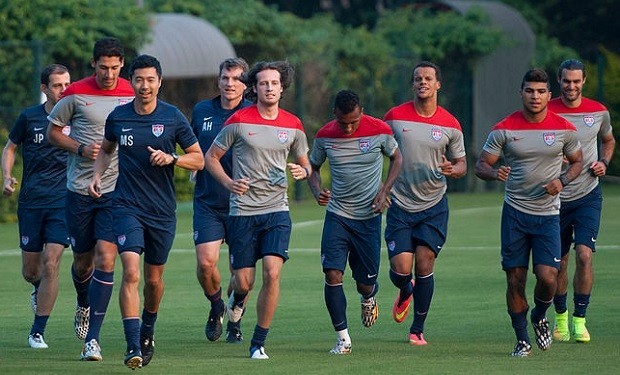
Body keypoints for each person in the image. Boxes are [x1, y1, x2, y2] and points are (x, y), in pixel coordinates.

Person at [88, 54, 203, 369]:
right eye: (138, 79)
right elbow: (107, 150)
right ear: (132, 81)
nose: (144, 85)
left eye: (150, 79)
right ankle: (132, 344)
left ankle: (148, 327)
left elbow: (199, 159)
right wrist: (98, 174)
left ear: (159, 82)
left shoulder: (173, 117)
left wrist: (173, 159)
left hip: (162, 212)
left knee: (153, 280)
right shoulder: (119, 116)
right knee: (131, 271)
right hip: (126, 206)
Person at [204, 60, 311, 359]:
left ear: (281, 87)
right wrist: (229, 183)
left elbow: (307, 164)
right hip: (242, 212)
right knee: (243, 281)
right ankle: (236, 303)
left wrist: (305, 174)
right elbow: (211, 158)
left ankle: (258, 342)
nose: (269, 87)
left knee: (273, 274)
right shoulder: (238, 121)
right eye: (263, 83)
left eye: (274, 83)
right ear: (255, 87)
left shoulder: (293, 125)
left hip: (277, 210)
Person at [475, 68, 583, 357]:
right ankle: (522, 339)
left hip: (548, 215)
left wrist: (562, 180)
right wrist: (494, 171)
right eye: (529, 91)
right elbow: (481, 165)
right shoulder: (504, 128)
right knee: (515, 279)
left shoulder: (564, 129)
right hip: (515, 214)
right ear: (521, 93)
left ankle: (539, 316)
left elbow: (576, 162)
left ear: (549, 94)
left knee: (548, 277)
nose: (535, 96)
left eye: (540, 91)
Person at [47, 36, 134, 361]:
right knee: (82, 261)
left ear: (121, 65)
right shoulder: (74, 93)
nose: (109, 74)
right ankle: (83, 302)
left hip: (117, 191)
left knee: (106, 258)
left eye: (114, 68)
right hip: (80, 190)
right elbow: (54, 132)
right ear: (93, 64)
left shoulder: (131, 91)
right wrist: (81, 149)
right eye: (103, 67)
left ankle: (92, 341)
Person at [308, 89, 402, 354]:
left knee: (364, 282)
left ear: (361, 111)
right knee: (332, 273)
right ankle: (343, 338)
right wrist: (317, 191)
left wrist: (386, 190)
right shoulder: (325, 135)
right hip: (337, 215)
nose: (348, 127)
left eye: (353, 121)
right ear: (334, 115)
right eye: (343, 122)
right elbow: (312, 168)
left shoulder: (380, 130)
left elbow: (397, 158)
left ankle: (369, 295)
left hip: (369, 217)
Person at [383, 61, 467, 346]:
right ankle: (406, 290)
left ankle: (417, 328)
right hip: (400, 204)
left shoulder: (451, 124)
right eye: (418, 78)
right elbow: (378, 150)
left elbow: (462, 164)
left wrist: (453, 170)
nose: (422, 82)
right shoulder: (394, 117)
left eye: (428, 78)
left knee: (424, 262)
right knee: (400, 269)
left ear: (437, 84)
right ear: (413, 84)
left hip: (433, 205)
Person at [2, 64, 71, 349]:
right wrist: (7, 176)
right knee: (32, 271)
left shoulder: (78, 117)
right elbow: (10, 147)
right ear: (45, 89)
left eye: (68, 84)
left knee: (51, 262)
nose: (64, 90)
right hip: (31, 201)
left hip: (64, 201)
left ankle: (37, 331)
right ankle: (37, 289)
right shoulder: (29, 117)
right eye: (57, 85)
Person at [548, 59, 616, 343]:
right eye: (566, 81)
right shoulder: (546, 109)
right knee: (559, 263)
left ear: (584, 81)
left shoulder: (598, 111)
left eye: (576, 81)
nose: (571, 86)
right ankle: (561, 320)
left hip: (588, 194)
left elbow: (609, 140)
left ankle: (580, 320)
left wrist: (603, 161)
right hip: (555, 199)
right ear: (559, 81)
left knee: (584, 255)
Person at [191, 57, 252, 343]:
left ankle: (235, 319)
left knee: (241, 276)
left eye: (237, 79)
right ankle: (217, 306)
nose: (230, 83)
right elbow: (190, 146)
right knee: (206, 264)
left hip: (244, 204)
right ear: (218, 80)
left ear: (245, 84)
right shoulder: (202, 110)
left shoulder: (253, 113)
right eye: (225, 78)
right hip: (208, 201)